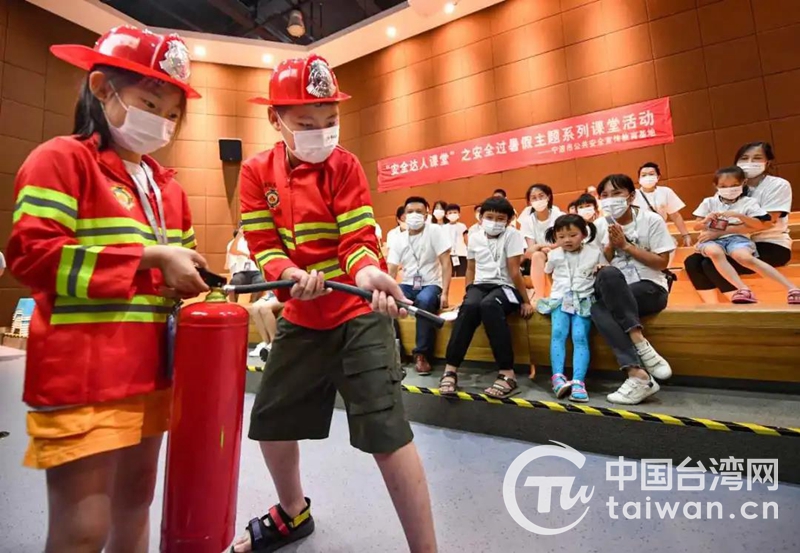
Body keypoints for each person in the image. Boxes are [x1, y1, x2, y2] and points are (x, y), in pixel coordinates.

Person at [5, 26, 208, 553]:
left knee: (136, 506)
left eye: (172, 114)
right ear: (101, 88)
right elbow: (33, 256)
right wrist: (150, 258)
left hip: (153, 375)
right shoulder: (61, 160)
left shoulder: (169, 189)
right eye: (150, 104)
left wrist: (202, 287)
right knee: (83, 528)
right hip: (84, 376)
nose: (162, 122)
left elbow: (180, 280)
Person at [234, 55, 436, 553]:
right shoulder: (255, 172)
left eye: (330, 120)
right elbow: (264, 246)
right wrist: (289, 276)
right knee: (270, 423)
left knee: (388, 435)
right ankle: (292, 512)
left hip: (358, 314)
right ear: (275, 119)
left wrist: (367, 274)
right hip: (301, 315)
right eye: (306, 124)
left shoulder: (345, 166)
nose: (321, 133)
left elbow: (358, 238)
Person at [437, 197, 534, 399]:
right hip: (481, 285)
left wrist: (525, 301)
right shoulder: (474, 237)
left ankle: (507, 373)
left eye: (500, 218)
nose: (494, 222)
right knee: (469, 307)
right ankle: (450, 369)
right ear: (480, 218)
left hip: (506, 287)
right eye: (489, 217)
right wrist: (468, 293)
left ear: (508, 220)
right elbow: (471, 269)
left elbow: (514, 272)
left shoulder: (513, 236)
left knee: (490, 305)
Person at [592, 174, 674, 405]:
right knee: (608, 275)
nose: (610, 199)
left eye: (616, 193)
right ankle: (639, 358)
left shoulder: (651, 220)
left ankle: (638, 373)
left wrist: (626, 246)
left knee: (599, 309)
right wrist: (610, 246)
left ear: (631, 196)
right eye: (605, 195)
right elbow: (598, 265)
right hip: (614, 288)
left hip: (650, 288)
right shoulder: (598, 226)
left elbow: (662, 263)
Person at [684, 141, 796, 303]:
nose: (750, 162)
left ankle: (745, 302)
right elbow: (708, 221)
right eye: (744, 158)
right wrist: (709, 228)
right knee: (693, 262)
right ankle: (713, 308)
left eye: (757, 158)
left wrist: (720, 232)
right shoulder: (724, 190)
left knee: (711, 264)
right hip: (731, 240)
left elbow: (767, 222)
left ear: (768, 162)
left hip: (770, 243)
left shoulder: (778, 185)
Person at [537, 215, 605, 403]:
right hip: (561, 300)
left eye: (573, 235)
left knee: (580, 336)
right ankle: (557, 378)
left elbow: (602, 272)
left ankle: (578, 381)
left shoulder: (594, 253)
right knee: (558, 333)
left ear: (583, 234)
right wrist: (558, 291)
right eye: (561, 236)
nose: (567, 240)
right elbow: (548, 273)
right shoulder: (554, 255)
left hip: (584, 300)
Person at [388, 197, 452, 375]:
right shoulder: (398, 239)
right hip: (408, 284)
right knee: (388, 302)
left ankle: (422, 354)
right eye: (410, 212)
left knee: (424, 301)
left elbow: (446, 263)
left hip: (431, 284)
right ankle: (397, 352)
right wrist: (387, 291)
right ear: (404, 215)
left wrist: (445, 293)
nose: (414, 215)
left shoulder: (435, 231)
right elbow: (392, 269)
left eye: (419, 211)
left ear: (426, 214)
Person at [519, 183, 563, 301]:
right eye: (534, 198)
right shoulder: (527, 221)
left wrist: (547, 248)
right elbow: (530, 250)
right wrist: (543, 248)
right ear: (529, 202)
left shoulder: (559, 216)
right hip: (542, 253)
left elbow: (563, 241)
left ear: (548, 197)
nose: (538, 200)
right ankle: (540, 297)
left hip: (561, 251)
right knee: (537, 255)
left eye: (541, 196)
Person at [633, 162, 692, 247]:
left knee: (670, 246)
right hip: (639, 235)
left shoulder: (666, 191)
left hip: (660, 233)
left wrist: (685, 235)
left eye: (651, 174)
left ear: (658, 177)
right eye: (644, 175)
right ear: (639, 179)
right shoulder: (632, 195)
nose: (647, 177)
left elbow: (675, 215)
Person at [227, 221, 266, 302]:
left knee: (260, 282)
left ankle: (253, 303)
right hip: (241, 272)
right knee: (235, 281)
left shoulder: (257, 240)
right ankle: (233, 305)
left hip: (255, 271)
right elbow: (232, 250)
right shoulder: (234, 242)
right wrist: (239, 236)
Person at [248, 292, 284, 360]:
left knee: (264, 309)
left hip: (285, 297)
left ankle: (274, 343)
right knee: (254, 308)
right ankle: (266, 342)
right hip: (271, 295)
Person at [445, 203, 469, 277]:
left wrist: (469, 249)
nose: (452, 214)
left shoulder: (462, 226)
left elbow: (466, 239)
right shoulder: (444, 227)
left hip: (462, 253)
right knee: (450, 275)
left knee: (461, 274)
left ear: (459, 214)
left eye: (455, 212)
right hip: (449, 254)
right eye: (450, 213)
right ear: (446, 215)